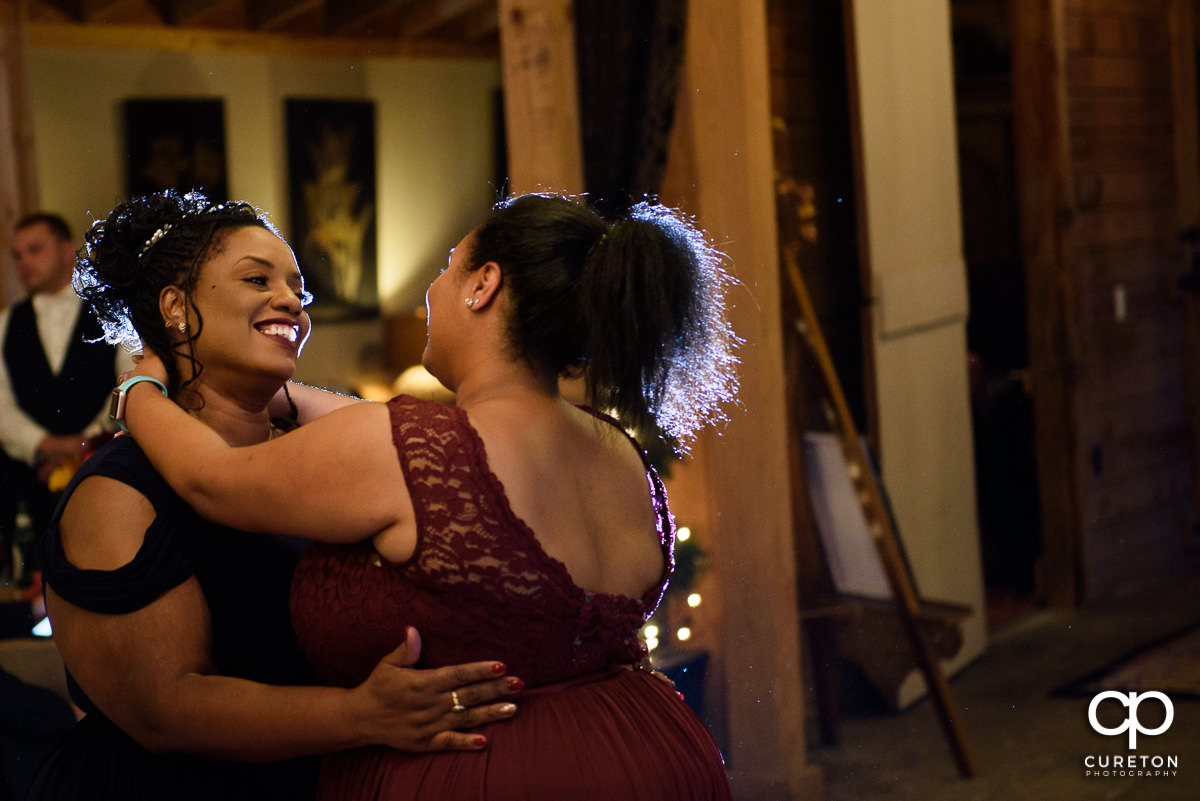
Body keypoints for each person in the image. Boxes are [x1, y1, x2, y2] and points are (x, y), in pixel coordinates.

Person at [123, 192, 739, 799]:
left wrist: (137, 389)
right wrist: (273, 393)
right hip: (650, 747)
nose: (433, 288)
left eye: (447, 267)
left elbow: (210, 480)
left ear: (484, 285)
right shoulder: (614, 448)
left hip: (496, 771)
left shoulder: (408, 448)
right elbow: (385, 432)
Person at [28, 190, 521, 801]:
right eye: (257, 279)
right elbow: (166, 709)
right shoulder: (118, 490)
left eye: (297, 288)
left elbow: (411, 443)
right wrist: (361, 716)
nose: (290, 300)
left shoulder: (311, 459)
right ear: (175, 308)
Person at [1, 213, 132, 580]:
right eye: (17, 255)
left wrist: (88, 440)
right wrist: (44, 443)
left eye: (34, 250)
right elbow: (1, 404)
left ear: (64, 250)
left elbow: (129, 382)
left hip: (103, 467)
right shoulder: (5, 324)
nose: (24, 262)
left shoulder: (110, 313)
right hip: (31, 477)